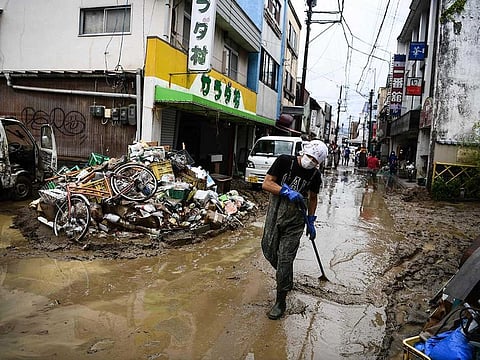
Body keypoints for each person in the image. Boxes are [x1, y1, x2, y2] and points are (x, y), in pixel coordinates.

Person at [261, 140, 328, 320]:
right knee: (268, 250)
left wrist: (311, 221)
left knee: (285, 258)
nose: (311, 162)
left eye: (315, 160)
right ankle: (286, 277)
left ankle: (280, 301)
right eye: (310, 157)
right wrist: (285, 191)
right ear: (303, 152)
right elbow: (266, 184)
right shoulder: (284, 161)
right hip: (275, 215)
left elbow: (313, 198)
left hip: (296, 220)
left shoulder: (315, 175)